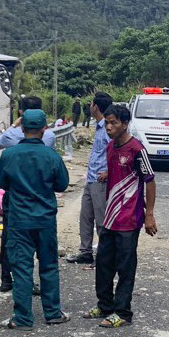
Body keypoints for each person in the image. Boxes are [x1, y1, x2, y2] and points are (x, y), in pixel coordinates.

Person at [0, 109, 71, 331]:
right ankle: (53, 313)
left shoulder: (9, 155)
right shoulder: (51, 156)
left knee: (22, 268)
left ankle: (23, 318)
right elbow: (62, 185)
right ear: (44, 129)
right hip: (46, 219)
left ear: (22, 128)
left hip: (20, 220)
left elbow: (2, 183)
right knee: (49, 265)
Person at [83, 103, 157, 328]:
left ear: (125, 124)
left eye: (114, 123)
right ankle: (105, 305)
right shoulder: (111, 148)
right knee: (104, 263)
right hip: (110, 218)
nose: (109, 127)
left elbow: (150, 181)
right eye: (107, 122)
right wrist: (107, 173)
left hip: (129, 219)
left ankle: (123, 312)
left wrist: (149, 215)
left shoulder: (137, 150)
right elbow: (118, 170)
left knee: (126, 267)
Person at [0, 96, 56, 292]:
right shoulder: (50, 137)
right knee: (43, 245)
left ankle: (7, 279)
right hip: (42, 197)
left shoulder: (11, 137)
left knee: (11, 237)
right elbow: (59, 178)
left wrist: (15, 124)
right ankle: (48, 301)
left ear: (22, 116)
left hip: (15, 198)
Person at [65, 91, 112, 264]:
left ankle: (105, 254)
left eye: (91, 104)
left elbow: (114, 152)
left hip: (101, 180)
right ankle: (85, 251)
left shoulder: (108, 128)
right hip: (91, 178)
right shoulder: (99, 127)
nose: (89, 106)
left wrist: (108, 172)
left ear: (96, 107)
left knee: (101, 219)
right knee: (85, 216)